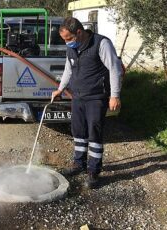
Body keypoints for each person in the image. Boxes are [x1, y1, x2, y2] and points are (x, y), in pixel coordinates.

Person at [52, 17, 123, 189]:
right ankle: (78, 163)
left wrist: (115, 95)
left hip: (96, 97)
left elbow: (115, 68)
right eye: (64, 40)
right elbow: (68, 69)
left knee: (94, 133)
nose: (67, 43)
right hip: (78, 97)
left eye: (69, 39)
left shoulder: (101, 43)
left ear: (79, 32)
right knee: (78, 131)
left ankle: (93, 171)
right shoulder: (72, 49)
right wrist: (60, 89)